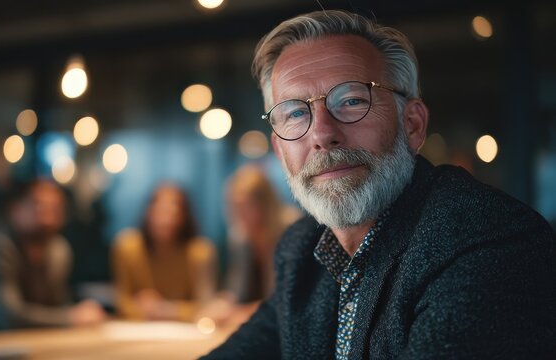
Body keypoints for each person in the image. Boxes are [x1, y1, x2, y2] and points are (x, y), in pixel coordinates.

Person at [202, 9, 556, 359]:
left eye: (352, 101)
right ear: (279, 150)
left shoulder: (487, 242)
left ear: (412, 124)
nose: (322, 135)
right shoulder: (303, 250)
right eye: (295, 113)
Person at [0, 179, 106, 334]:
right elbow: (9, 318)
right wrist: (71, 317)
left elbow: (58, 305)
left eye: (55, 207)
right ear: (15, 210)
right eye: (38, 205)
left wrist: (81, 313)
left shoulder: (58, 251)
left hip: (33, 344)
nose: (47, 215)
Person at [201, 164, 300, 326]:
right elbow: (237, 291)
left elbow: (289, 301)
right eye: (234, 206)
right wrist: (223, 305)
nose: (239, 214)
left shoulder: (293, 232)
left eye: (245, 206)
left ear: (265, 204)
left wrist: (243, 312)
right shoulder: (240, 238)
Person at [112, 183, 217, 321]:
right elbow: (121, 303)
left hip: (186, 334)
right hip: (139, 330)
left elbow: (207, 306)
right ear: (148, 212)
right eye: (160, 210)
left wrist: (167, 309)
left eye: (172, 212)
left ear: (184, 216)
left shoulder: (200, 252)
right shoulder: (127, 247)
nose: (165, 219)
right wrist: (142, 307)